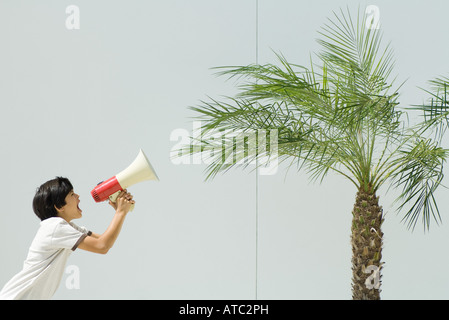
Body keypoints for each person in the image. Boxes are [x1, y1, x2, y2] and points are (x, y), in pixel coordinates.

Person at [0, 176, 135, 300]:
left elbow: (104, 240)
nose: (78, 196)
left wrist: (119, 209)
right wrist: (120, 212)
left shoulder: (65, 228)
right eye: (72, 194)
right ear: (59, 206)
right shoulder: (55, 227)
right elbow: (102, 246)